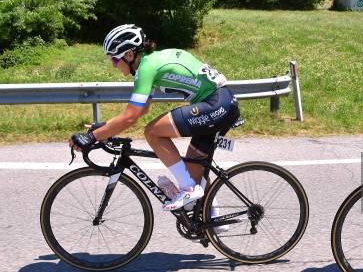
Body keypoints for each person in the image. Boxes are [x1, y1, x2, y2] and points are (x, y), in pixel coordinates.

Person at [69, 24, 240, 211]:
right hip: (222, 102)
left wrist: (93, 137)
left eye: (115, 60)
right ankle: (213, 220)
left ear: (129, 55)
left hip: (215, 104)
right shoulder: (152, 61)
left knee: (152, 132)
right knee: (192, 168)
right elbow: (141, 110)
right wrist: (104, 128)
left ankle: (189, 190)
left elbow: (130, 117)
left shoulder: (147, 68)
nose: (113, 64)